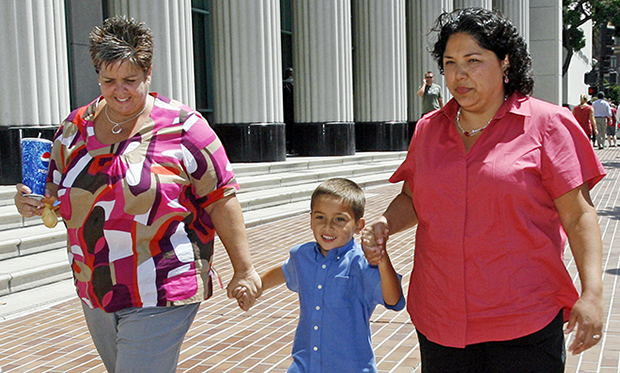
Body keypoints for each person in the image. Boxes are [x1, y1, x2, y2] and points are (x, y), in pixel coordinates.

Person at [13, 16, 261, 373]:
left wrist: (244, 268)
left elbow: (221, 196)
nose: (120, 90)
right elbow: (52, 188)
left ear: (148, 73)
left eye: (131, 80)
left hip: (162, 282)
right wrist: (32, 200)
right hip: (95, 283)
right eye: (109, 80)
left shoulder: (185, 127)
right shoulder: (74, 128)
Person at [363, 8, 604, 372]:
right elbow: (413, 198)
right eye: (450, 62)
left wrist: (592, 293)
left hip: (524, 320)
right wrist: (385, 222)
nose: (459, 74)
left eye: (473, 61)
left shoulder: (548, 123)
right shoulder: (429, 129)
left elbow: (579, 214)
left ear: (505, 62)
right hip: (440, 318)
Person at [254, 178, 405, 373]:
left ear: (359, 225)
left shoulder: (361, 264)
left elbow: (394, 300)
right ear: (310, 219)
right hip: (305, 365)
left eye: (339, 219)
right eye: (320, 217)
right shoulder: (302, 255)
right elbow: (286, 271)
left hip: (351, 367)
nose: (328, 226)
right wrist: (258, 285)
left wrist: (382, 259)